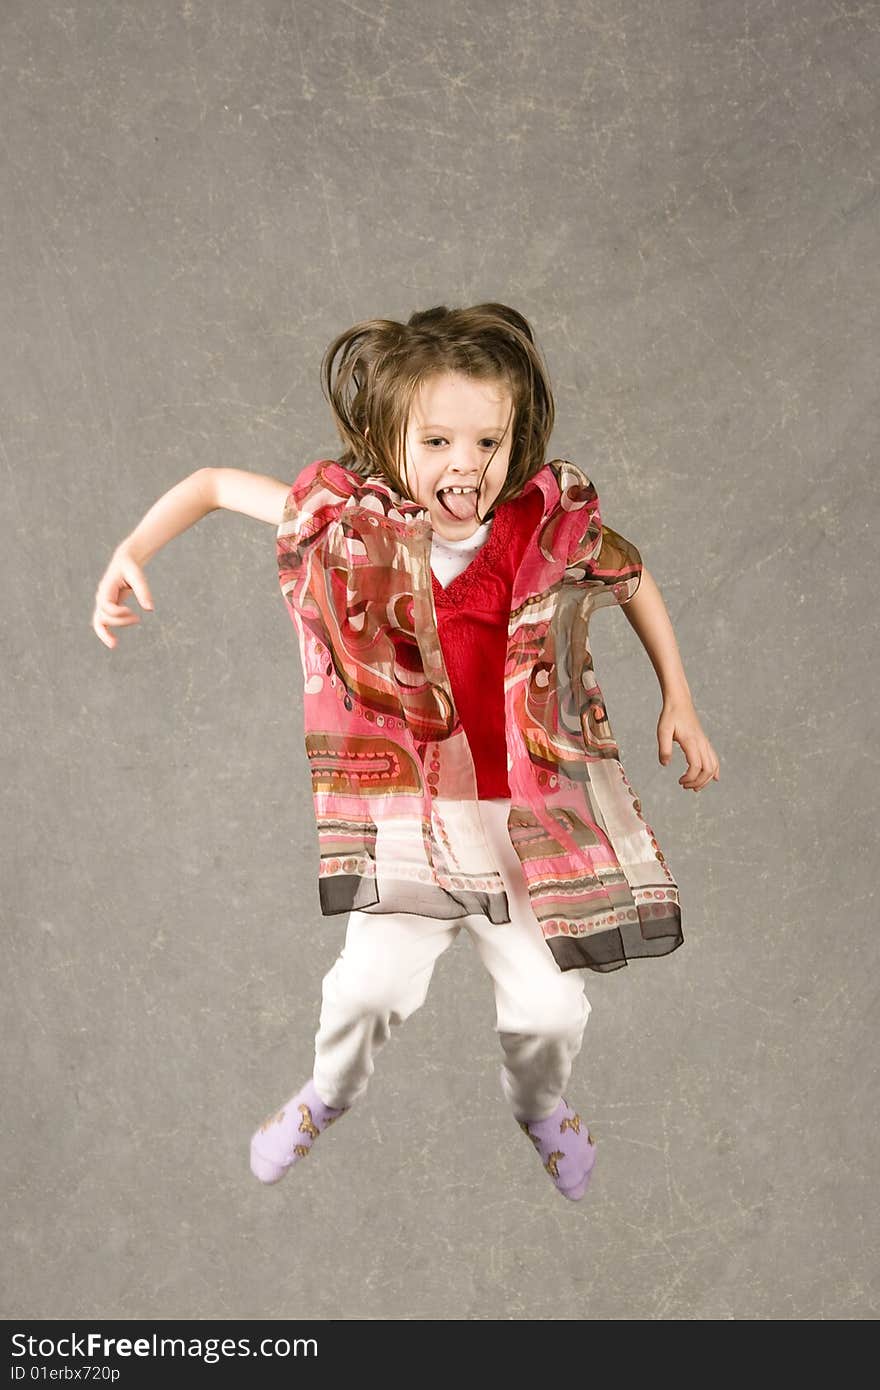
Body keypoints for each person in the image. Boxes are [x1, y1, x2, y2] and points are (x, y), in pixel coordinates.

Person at [92, 303, 719, 1203]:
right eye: (436, 440)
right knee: (364, 996)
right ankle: (327, 1094)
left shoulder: (538, 532)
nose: (465, 464)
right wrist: (130, 550)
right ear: (391, 438)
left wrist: (680, 698)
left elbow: (633, 573)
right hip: (413, 821)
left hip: (527, 829)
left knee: (548, 1011)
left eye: (487, 441)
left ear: (514, 440)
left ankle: (540, 1107)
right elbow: (215, 483)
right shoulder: (357, 528)